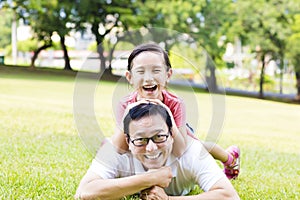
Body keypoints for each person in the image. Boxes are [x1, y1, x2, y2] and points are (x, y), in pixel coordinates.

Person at [111, 43, 240, 179]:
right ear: (130, 77)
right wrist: (128, 114)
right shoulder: (125, 105)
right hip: (149, 138)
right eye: (140, 72)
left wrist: (168, 115)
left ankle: (230, 159)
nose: (148, 78)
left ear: (168, 75)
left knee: (198, 147)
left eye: (156, 71)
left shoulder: (175, 103)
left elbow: (179, 151)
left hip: (175, 130)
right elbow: (119, 149)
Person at [75, 103, 240, 199]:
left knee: (204, 146)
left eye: (159, 137)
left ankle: (230, 158)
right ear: (128, 141)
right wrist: (149, 178)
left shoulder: (191, 152)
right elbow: (84, 192)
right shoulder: (115, 150)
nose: (151, 148)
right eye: (141, 140)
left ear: (172, 135)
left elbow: (229, 196)